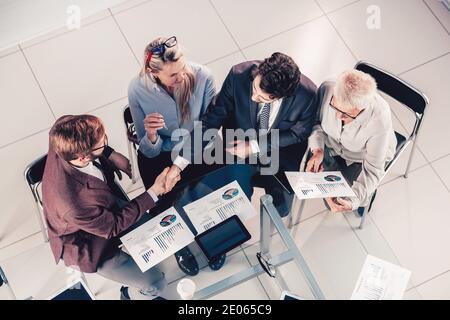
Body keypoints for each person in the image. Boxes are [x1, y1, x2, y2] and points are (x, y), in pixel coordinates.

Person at [42, 115, 179, 300]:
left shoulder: (61, 129)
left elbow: (92, 145)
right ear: (83, 157)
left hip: (103, 206)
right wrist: (154, 191)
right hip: (90, 244)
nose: (105, 141)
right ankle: (128, 294)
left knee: (163, 227)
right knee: (156, 283)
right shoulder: (71, 203)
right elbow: (112, 226)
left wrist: (110, 154)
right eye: (102, 143)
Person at [166, 52, 318, 217]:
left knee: (281, 209)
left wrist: (254, 146)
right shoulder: (238, 75)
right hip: (237, 146)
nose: (253, 97)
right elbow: (211, 120)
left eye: (261, 98)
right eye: (254, 88)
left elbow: (299, 133)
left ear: (281, 96)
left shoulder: (307, 95)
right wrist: (179, 164)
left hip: (281, 153)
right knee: (236, 205)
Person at [128, 36, 225, 276]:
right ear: (153, 73)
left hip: (200, 145)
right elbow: (148, 149)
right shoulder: (137, 89)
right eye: (173, 75)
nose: (182, 77)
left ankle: (211, 233)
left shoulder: (204, 76)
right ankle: (179, 245)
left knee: (210, 193)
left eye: (183, 68)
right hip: (161, 152)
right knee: (163, 202)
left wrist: (180, 165)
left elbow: (209, 127)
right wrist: (151, 135)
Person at [306, 69, 397, 214]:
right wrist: (317, 149)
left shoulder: (380, 119)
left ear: (362, 109)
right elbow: (315, 121)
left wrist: (353, 200)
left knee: (350, 202)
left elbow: (372, 170)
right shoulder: (328, 87)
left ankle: (367, 197)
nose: (337, 115)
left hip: (362, 158)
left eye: (346, 114)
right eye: (334, 107)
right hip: (332, 146)